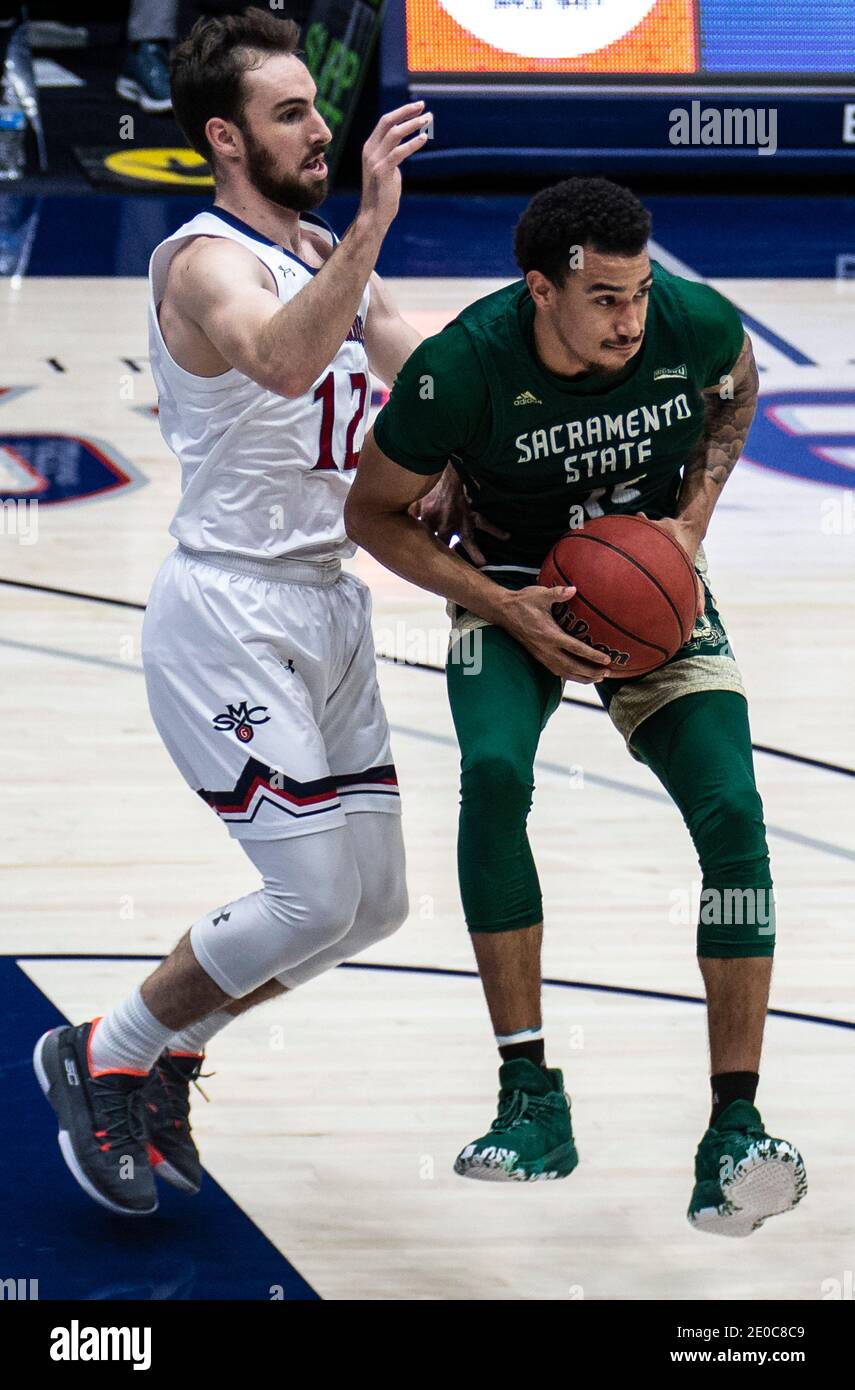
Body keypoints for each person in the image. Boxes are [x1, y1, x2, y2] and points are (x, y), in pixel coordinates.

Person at [344, 177, 807, 1236]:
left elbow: (738, 385)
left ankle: (735, 1127)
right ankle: (530, 1098)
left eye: (639, 294)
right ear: (540, 288)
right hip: (512, 584)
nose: (631, 320)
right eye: (604, 299)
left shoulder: (691, 321)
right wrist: (502, 602)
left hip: (648, 579)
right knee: (496, 775)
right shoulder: (459, 370)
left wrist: (691, 520)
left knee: (734, 814)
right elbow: (371, 514)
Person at [34, 7, 430, 1216]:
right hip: (226, 616)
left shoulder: (321, 248)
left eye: (318, 106)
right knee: (308, 895)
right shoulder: (206, 263)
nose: (321, 129)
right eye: (290, 113)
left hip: (326, 605)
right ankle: (108, 1047)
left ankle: (176, 1044)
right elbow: (281, 362)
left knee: (374, 903)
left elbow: (421, 362)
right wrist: (368, 228)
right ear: (223, 136)